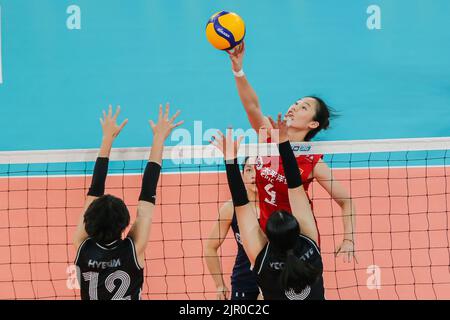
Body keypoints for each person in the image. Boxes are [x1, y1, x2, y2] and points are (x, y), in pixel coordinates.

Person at [227, 43, 356, 261]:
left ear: (313, 125)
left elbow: (347, 201)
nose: (294, 107)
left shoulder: (312, 162)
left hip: (300, 240)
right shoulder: (268, 136)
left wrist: (349, 239)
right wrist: (238, 70)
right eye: (296, 103)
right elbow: (252, 107)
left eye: (304, 107)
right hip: (266, 235)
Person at [73, 104, 183, 300]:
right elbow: (147, 198)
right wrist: (159, 138)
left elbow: (94, 191)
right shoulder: (132, 250)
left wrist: (107, 139)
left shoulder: (82, 246)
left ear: (89, 221)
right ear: (124, 224)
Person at [210, 114, 324, 300]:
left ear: (267, 236)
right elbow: (295, 186)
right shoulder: (310, 247)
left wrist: (230, 159)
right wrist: (283, 142)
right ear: (298, 230)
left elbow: (240, 204)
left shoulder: (263, 260)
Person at [204, 157, 260, 300]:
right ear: (242, 175)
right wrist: (219, 285)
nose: (254, 174)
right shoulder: (230, 208)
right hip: (243, 282)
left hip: (275, 281)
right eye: (248, 170)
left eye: (258, 168)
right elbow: (210, 247)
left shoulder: (277, 206)